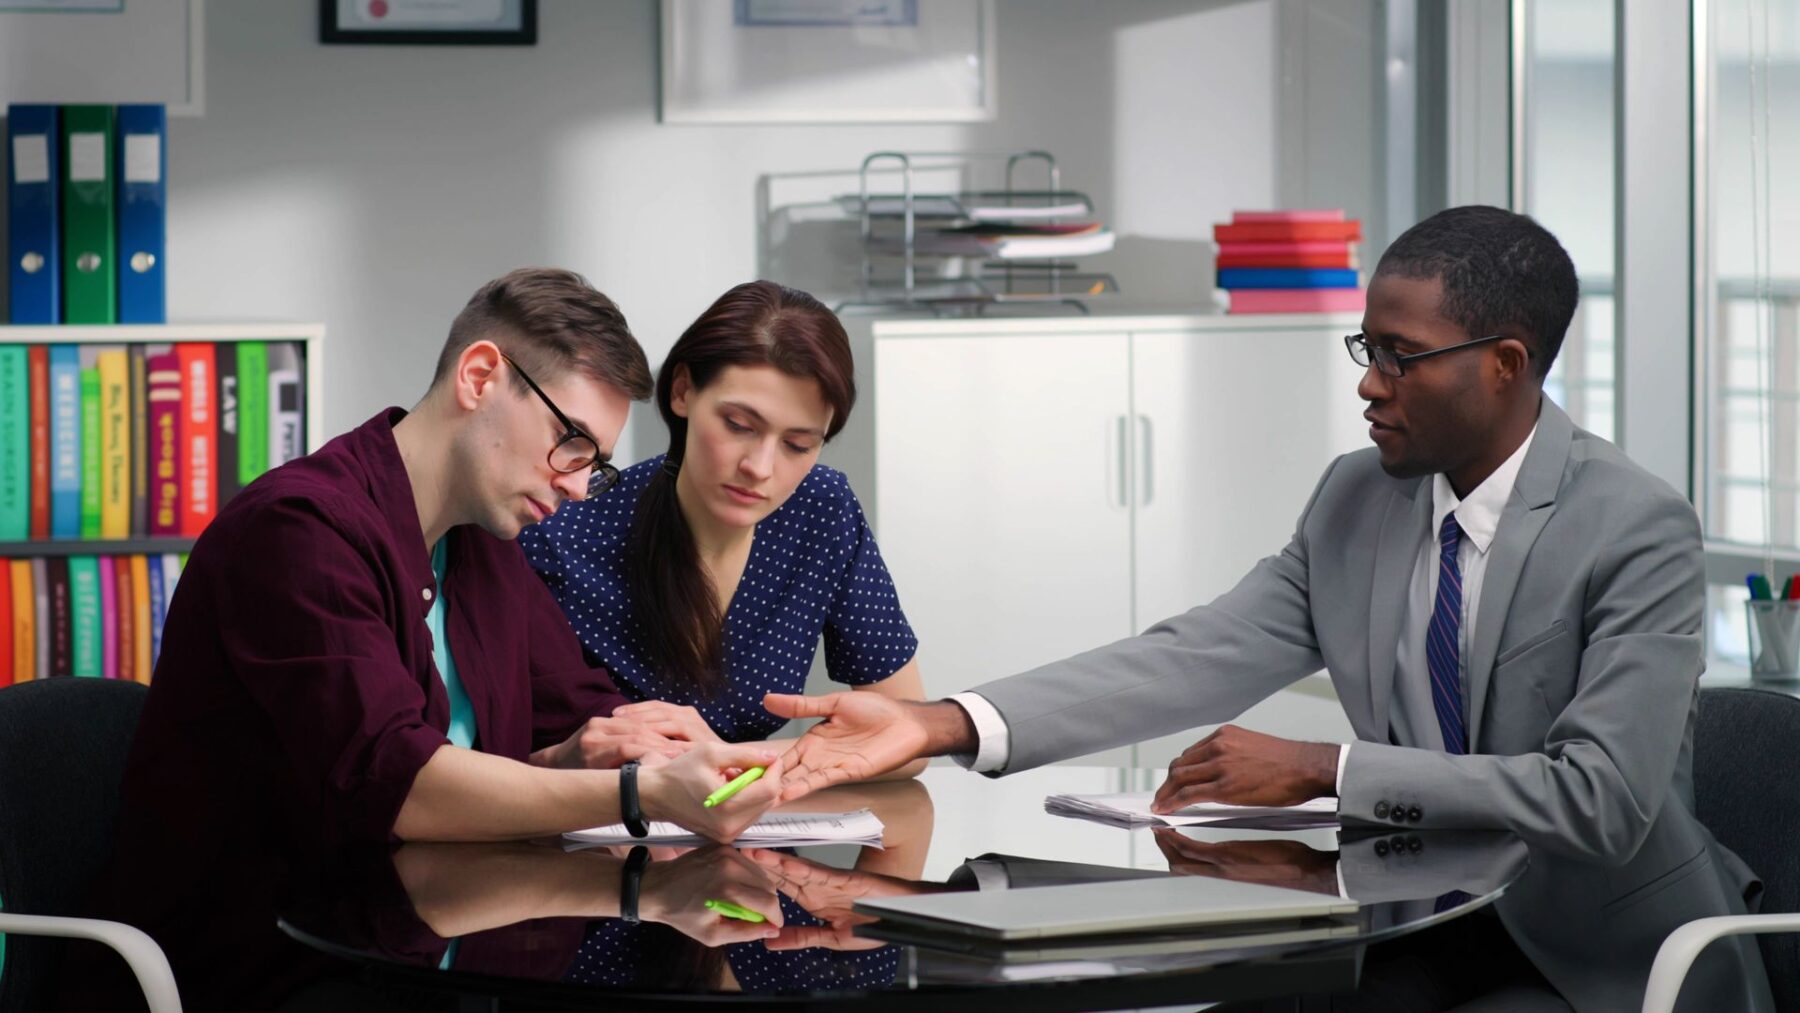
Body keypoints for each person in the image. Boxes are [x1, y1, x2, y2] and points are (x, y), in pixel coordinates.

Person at [762, 207, 1774, 1012]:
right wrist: (939, 723)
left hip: (1600, 955)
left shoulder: (1635, 524)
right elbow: (1195, 652)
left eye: (1401, 355)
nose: (1370, 385)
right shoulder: (1356, 496)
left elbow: (1598, 798)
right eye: (1364, 347)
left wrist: (1325, 768)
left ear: (1503, 363)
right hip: (1413, 918)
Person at [69, 269, 784, 1009]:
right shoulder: (296, 533)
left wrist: (633, 749)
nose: (576, 484)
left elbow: (585, 716)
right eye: (570, 441)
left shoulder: (486, 551)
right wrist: (640, 790)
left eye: (594, 463)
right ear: (479, 376)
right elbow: (400, 783)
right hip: (264, 974)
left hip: (425, 960)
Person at [519, 280, 925, 761]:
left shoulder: (821, 508)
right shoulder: (559, 536)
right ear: (683, 391)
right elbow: (486, 764)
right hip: (595, 829)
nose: (761, 467)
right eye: (738, 426)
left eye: (798, 445)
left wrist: (737, 759)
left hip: (753, 827)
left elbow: (908, 740)